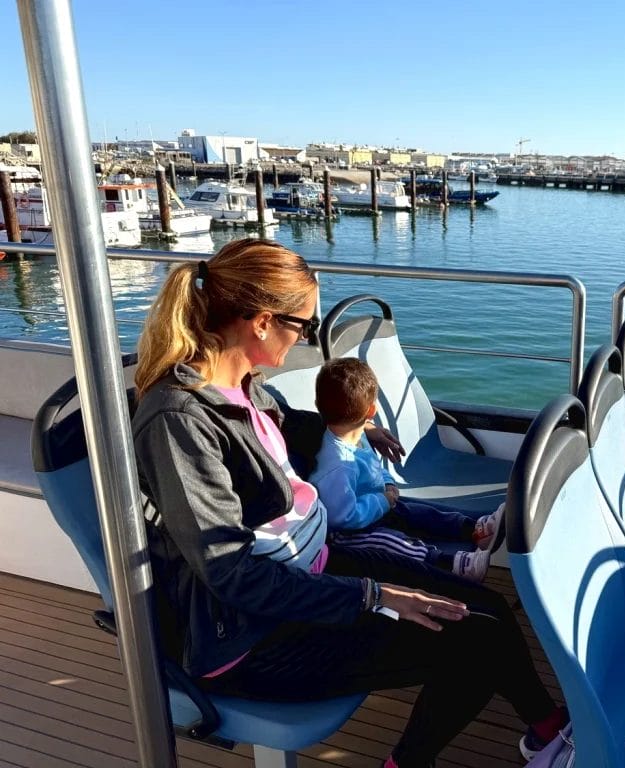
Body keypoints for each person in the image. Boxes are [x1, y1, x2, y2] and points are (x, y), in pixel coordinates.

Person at [131, 238, 566, 768]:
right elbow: (232, 575)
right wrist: (372, 595)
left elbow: (284, 426)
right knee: (476, 643)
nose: (307, 337)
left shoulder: (240, 384)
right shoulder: (179, 421)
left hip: (310, 567)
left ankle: (546, 731)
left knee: (487, 608)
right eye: (305, 325)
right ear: (263, 323)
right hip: (252, 635)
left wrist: (358, 428)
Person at [310, 357, 504, 582]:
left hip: (376, 507)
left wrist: (388, 483)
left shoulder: (358, 437)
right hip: (348, 534)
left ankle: (474, 529)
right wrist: (382, 500)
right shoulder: (338, 465)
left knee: (420, 513)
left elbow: (374, 467)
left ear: (317, 404)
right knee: (391, 542)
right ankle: (447, 563)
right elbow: (342, 517)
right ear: (371, 411)